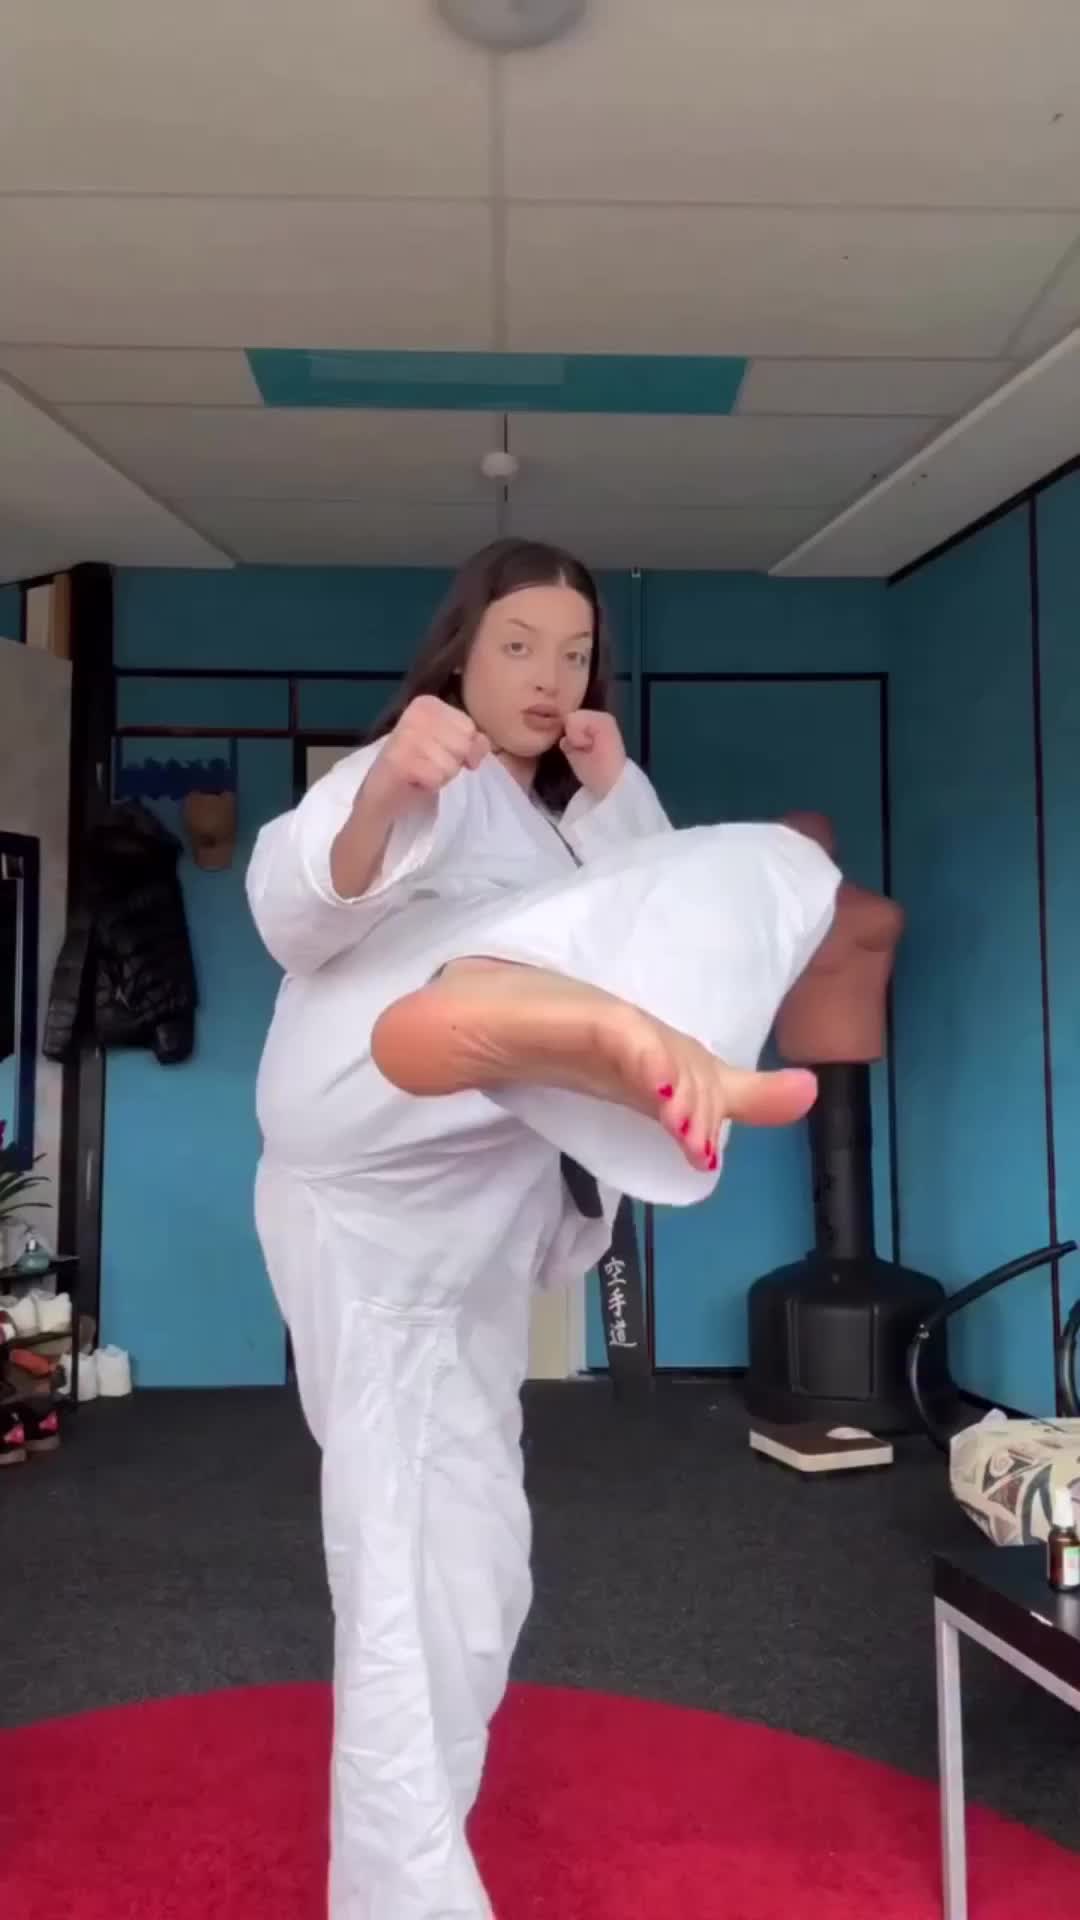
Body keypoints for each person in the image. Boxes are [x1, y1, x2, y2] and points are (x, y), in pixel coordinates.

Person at [247, 540, 840, 1920]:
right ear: (461, 650)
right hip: (364, 1140)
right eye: (518, 645)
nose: (548, 677)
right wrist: (389, 783)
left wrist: (618, 790)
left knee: (474, 1578)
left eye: (574, 654)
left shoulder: (570, 823)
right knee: (401, 1577)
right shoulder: (420, 768)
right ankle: (401, 1903)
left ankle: (556, 1030)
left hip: (467, 1229)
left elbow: (658, 906)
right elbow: (297, 912)